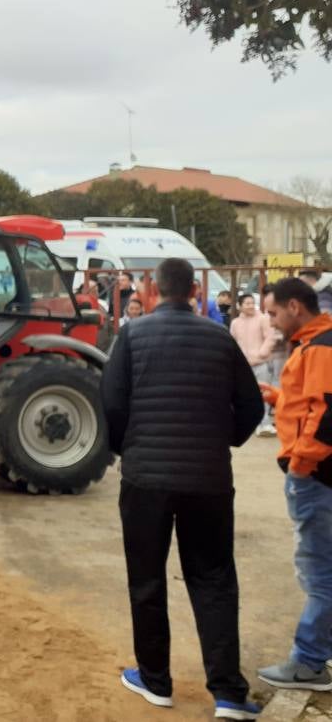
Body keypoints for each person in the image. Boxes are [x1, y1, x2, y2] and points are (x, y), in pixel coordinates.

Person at [100, 257, 263, 718]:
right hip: (209, 480)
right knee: (214, 579)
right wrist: (223, 438)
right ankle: (229, 693)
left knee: (147, 578)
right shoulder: (219, 338)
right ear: (194, 290)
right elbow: (250, 407)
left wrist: (125, 449)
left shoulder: (131, 336)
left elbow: (111, 404)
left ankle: (155, 681)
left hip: (146, 480)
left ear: (154, 292)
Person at [257, 277, 332, 691]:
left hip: (316, 476)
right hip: (319, 474)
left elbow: (327, 413)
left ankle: (308, 662)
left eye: (273, 312)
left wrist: (300, 464)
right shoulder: (316, 343)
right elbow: (311, 402)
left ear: (294, 307)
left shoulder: (320, 347)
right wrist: (276, 397)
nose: (271, 321)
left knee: (318, 570)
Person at [229, 293, 278, 437]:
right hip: (243, 365)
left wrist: (262, 353)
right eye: (247, 303)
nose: (250, 306)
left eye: (252, 303)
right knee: (245, 396)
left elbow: (270, 337)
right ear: (240, 306)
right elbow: (233, 342)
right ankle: (252, 425)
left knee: (264, 394)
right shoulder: (235, 323)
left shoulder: (263, 319)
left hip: (261, 363)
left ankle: (265, 424)